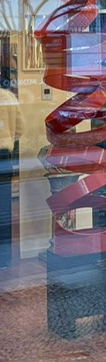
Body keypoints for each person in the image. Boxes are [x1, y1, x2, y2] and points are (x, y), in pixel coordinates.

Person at [0, 85, 24, 266]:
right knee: (4, 207)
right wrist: (8, 138)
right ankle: (4, 257)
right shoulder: (8, 97)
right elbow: (20, 129)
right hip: (3, 155)